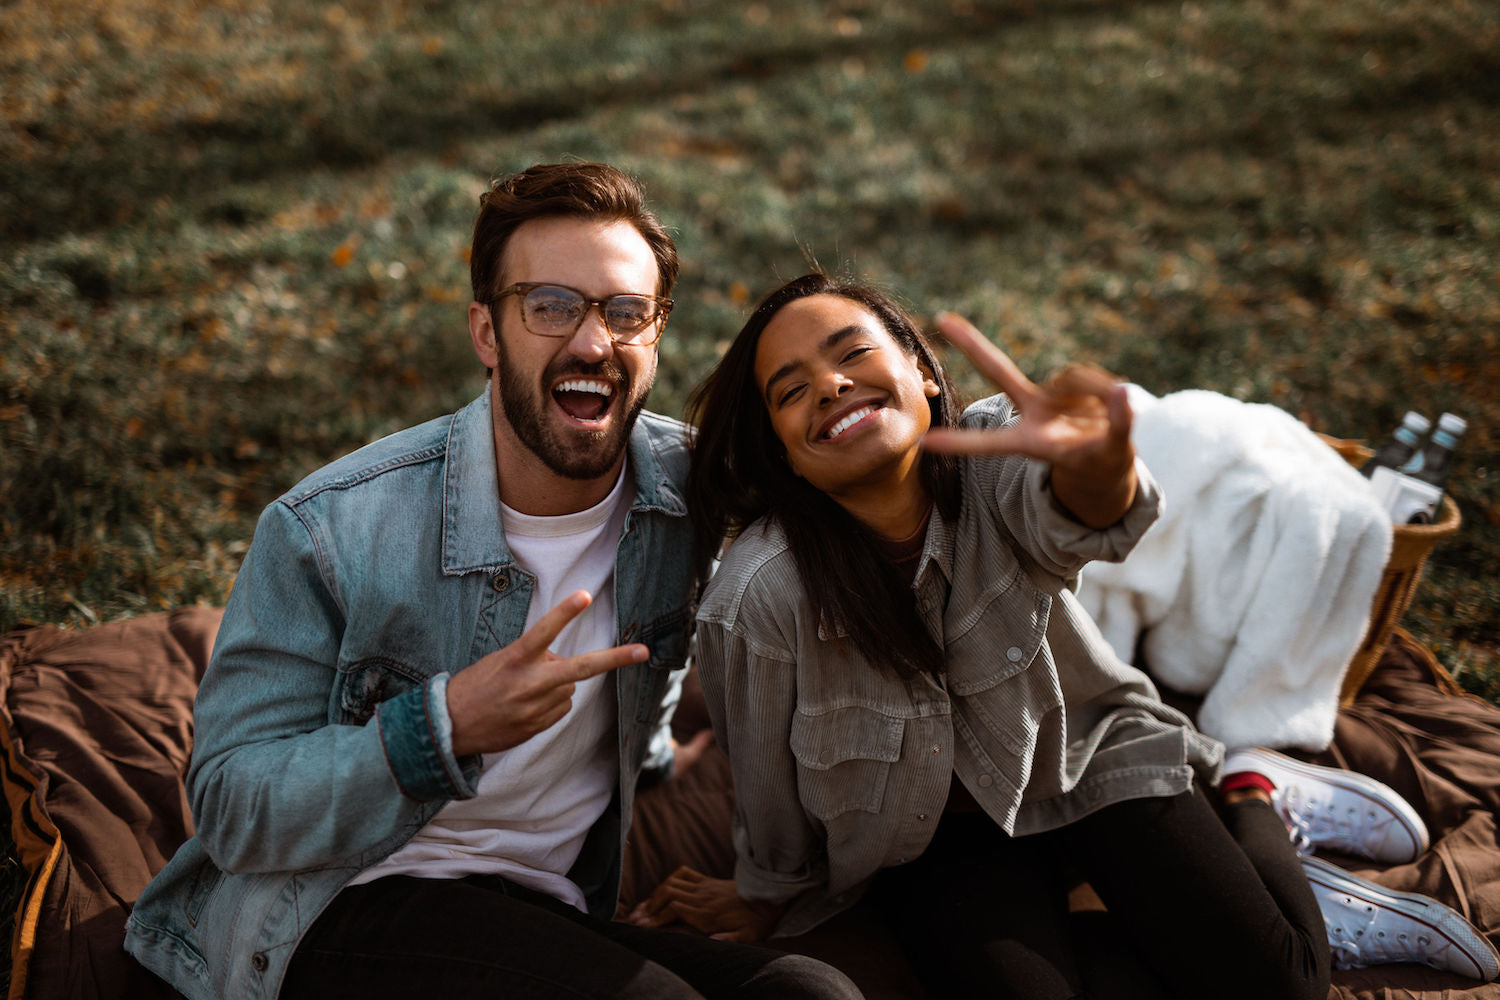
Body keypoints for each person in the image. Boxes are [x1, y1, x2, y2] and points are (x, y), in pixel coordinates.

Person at [628, 271, 1497, 997]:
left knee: (1286, 986)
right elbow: (768, 780)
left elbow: (1082, 515)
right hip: (932, 839)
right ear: (785, 453)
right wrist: (765, 895)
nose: (828, 385)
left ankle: (1253, 789)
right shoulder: (757, 597)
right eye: (790, 389)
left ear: (924, 375)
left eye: (853, 351)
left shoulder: (1000, 450)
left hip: (1083, 755)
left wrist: (1097, 461)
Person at [124, 165, 861, 1000]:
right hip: (332, 908)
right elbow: (228, 808)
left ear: (655, 334)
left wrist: (1040, 485)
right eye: (551, 306)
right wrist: (443, 727)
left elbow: (867, 490)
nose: (592, 343)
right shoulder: (330, 530)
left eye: (625, 313)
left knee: (810, 990)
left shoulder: (687, 494)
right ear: (486, 332)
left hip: (543, 903)